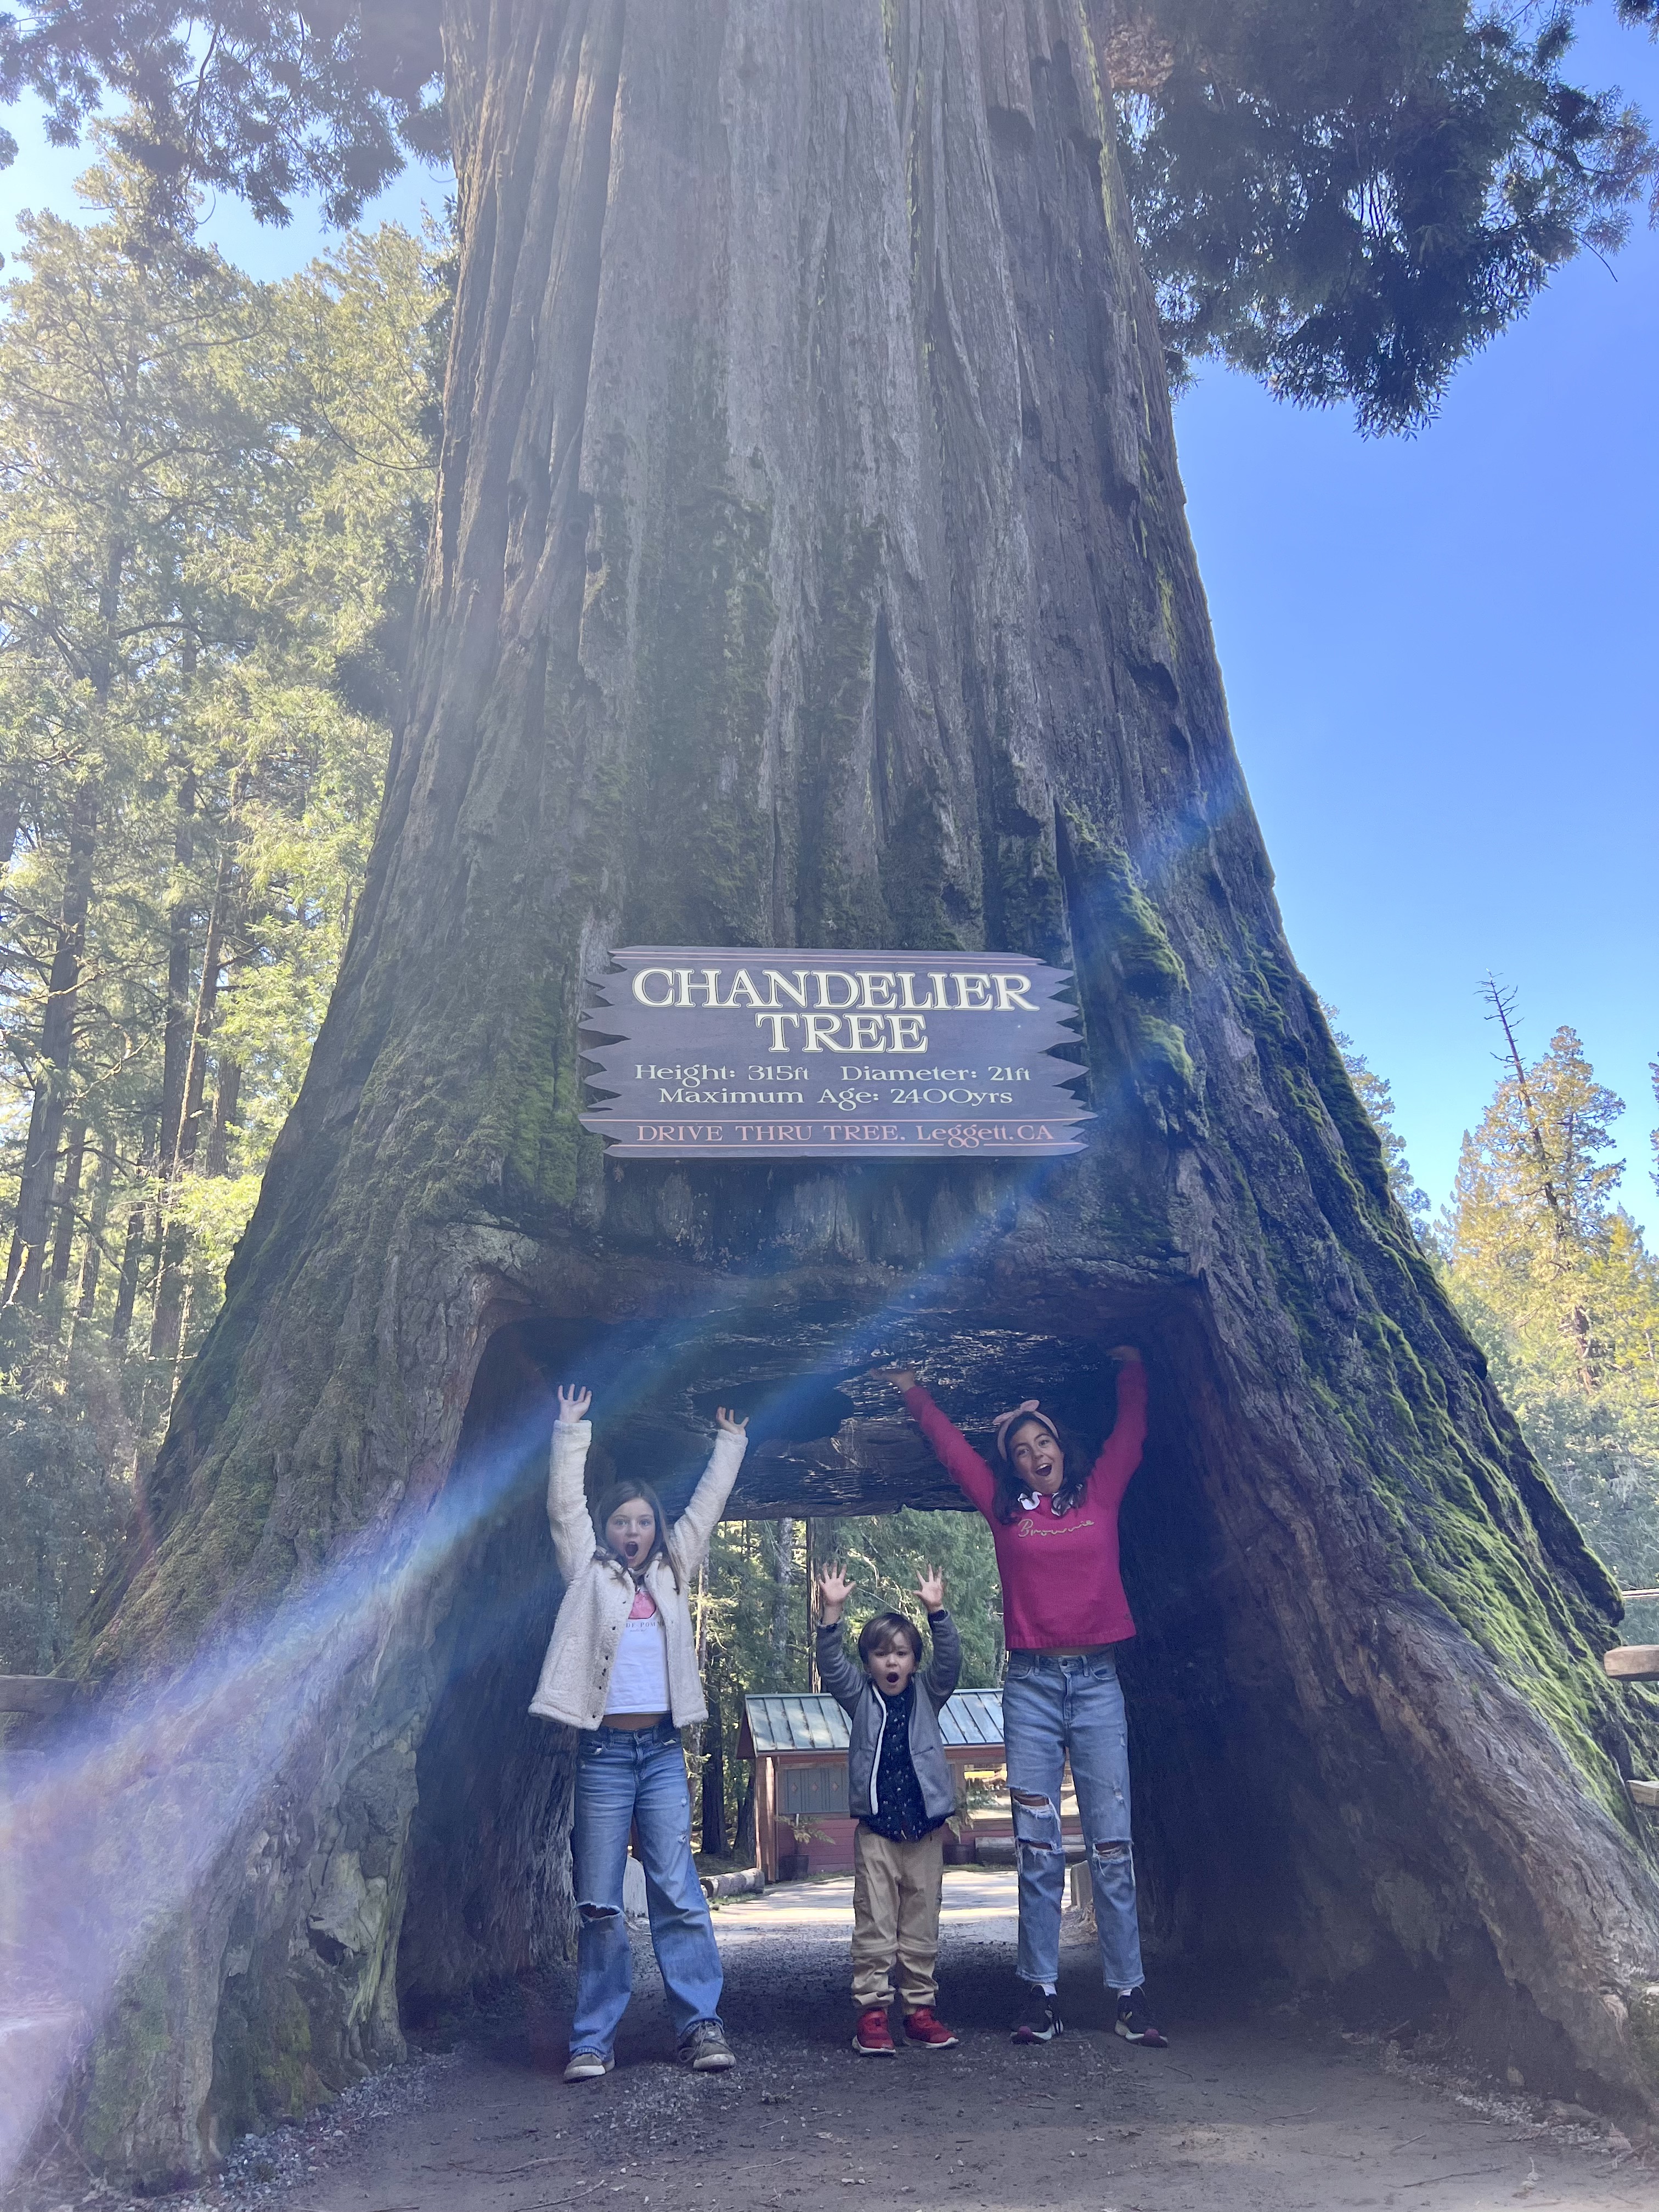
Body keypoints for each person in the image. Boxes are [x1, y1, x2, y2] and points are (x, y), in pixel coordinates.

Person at [882, 1348, 1166, 2050]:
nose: (1035, 1454)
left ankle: (1129, 1995)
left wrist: (1131, 1360)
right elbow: (954, 1456)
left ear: (1060, 1448)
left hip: (1098, 1683)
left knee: (1112, 1845)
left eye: (1043, 1442)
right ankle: (1040, 1994)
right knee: (1036, 1847)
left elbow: (1131, 1435)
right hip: (1033, 1686)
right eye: (1021, 1449)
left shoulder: (1099, 1496)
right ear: (1010, 1464)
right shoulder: (1008, 1513)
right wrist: (915, 1391)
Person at [529, 1384, 747, 2081]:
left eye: (642, 1521)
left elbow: (707, 1506)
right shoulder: (586, 1574)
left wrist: (731, 1442)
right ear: (609, 1528)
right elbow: (564, 1509)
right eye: (621, 1522)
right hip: (602, 1757)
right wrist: (571, 1431)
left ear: (656, 1527)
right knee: (598, 1900)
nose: (633, 1532)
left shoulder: (675, 1568)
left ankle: (700, 2025)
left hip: (658, 1753)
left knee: (677, 1890)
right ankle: (593, 2038)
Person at [815, 1560, 963, 2055]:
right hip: (878, 1832)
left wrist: (937, 1613)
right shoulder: (860, 1698)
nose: (891, 1663)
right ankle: (872, 2014)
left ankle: (920, 2010)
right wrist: (831, 1614)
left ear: (914, 1662)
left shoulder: (929, 1694)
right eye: (881, 1655)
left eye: (901, 1654)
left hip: (923, 1831)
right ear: (870, 1665)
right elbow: (832, 1666)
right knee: (875, 1923)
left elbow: (950, 1665)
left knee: (922, 1921)